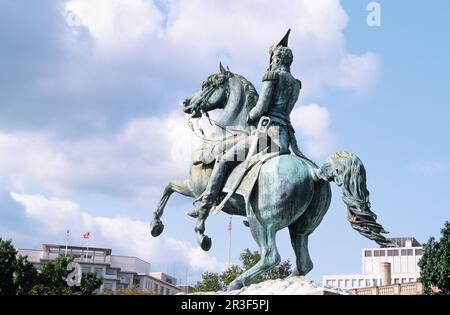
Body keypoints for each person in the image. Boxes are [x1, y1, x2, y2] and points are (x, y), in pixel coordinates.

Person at [188, 30, 306, 218]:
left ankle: (205, 205)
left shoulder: (271, 76)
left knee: (226, 159)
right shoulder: (296, 84)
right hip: (286, 141)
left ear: (275, 58)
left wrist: (249, 117)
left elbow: (261, 108)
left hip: (268, 138)